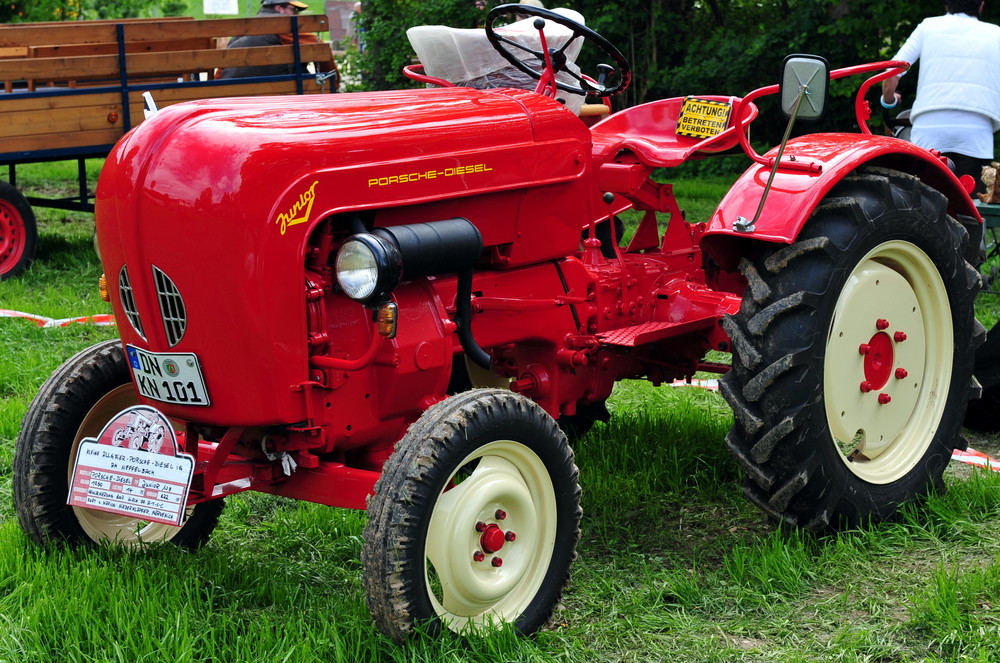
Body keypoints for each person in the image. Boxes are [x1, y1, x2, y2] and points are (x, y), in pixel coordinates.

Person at [881, 1, 1000, 194]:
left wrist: (888, 100)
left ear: (946, 3)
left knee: (924, 204)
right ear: (981, 5)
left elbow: (892, 71)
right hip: (976, 134)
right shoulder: (996, 34)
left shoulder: (928, 26)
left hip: (930, 131)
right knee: (970, 208)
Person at [218, 0, 339, 89]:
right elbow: (320, 48)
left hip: (230, 91)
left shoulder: (243, 29)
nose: (297, 15)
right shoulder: (284, 28)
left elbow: (221, 65)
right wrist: (334, 83)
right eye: (294, 10)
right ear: (279, 8)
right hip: (276, 92)